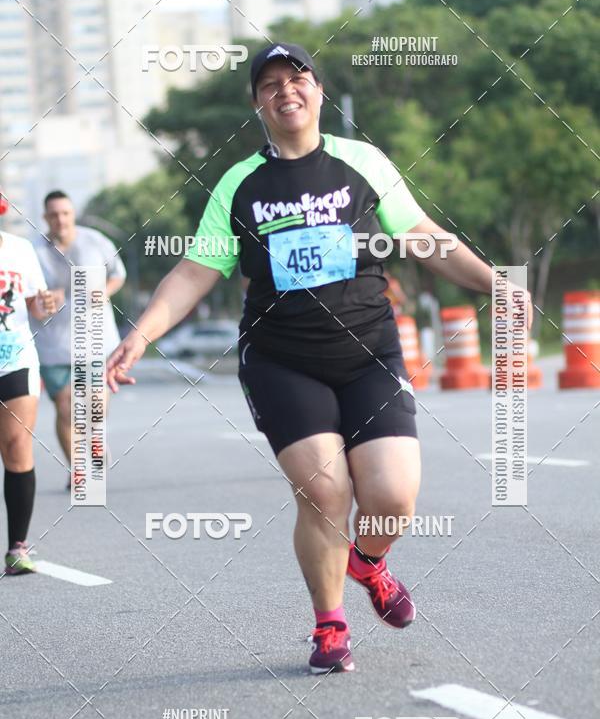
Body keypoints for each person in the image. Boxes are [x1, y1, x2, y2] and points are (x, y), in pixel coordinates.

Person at [107, 42, 532, 674]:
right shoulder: (239, 184)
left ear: (319, 91)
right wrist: (141, 334)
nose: (286, 90)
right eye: (270, 84)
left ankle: (369, 563)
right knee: (326, 491)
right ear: (258, 104)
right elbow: (197, 269)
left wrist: (495, 282)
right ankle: (330, 624)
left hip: (369, 351)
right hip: (282, 360)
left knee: (393, 496)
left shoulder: (361, 162)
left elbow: (422, 236)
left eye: (297, 78)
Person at [32, 191, 126, 486]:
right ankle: (79, 471)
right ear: (45, 217)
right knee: (66, 407)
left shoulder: (95, 241)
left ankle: (95, 439)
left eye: (65, 213)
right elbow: (28, 295)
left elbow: (118, 274)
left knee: (95, 406)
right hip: (53, 345)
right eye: (54, 214)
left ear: (72, 214)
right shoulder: (34, 251)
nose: (60, 219)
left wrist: (105, 292)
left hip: (96, 340)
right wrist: (45, 300)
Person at [0, 194, 57, 574]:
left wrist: (44, 306)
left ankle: (17, 547)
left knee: (17, 445)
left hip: (15, 359)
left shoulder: (20, 250)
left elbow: (35, 306)